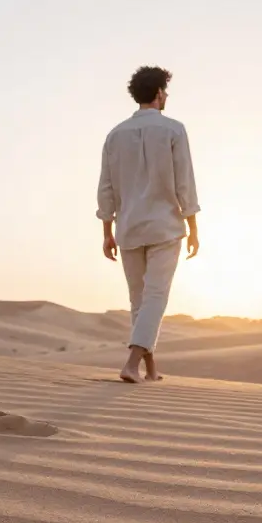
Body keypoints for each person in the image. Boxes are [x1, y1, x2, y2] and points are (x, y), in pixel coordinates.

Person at [96, 65, 200, 383]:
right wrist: (193, 226)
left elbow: (106, 188)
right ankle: (131, 363)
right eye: (165, 90)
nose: (166, 95)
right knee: (155, 296)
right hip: (165, 226)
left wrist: (107, 232)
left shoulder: (115, 135)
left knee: (139, 300)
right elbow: (185, 182)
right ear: (157, 93)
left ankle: (149, 368)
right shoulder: (174, 130)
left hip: (128, 227)